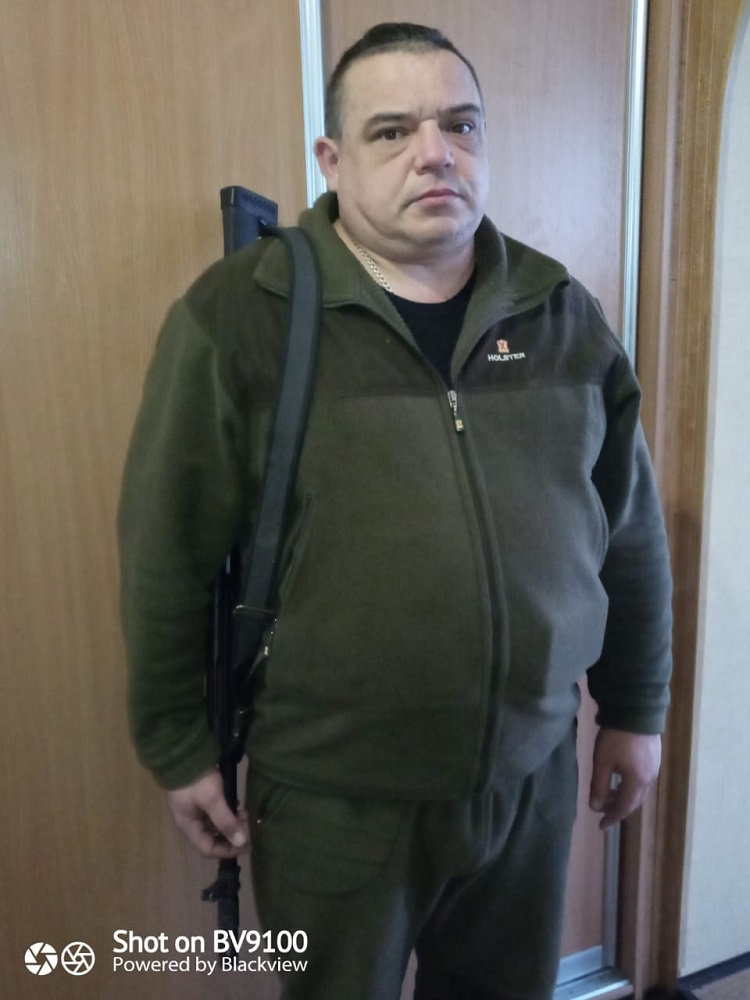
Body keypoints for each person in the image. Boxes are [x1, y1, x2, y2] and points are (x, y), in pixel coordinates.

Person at [118, 22, 672, 1000]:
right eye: (392, 130)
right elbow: (166, 551)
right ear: (332, 160)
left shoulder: (560, 314)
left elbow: (628, 535)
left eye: (461, 125)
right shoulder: (240, 317)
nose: (436, 152)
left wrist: (635, 709)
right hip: (335, 797)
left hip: (531, 782)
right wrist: (176, 744)